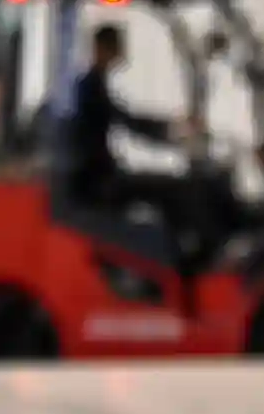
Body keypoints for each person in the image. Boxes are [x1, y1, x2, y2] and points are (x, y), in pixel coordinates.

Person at [60, 22, 208, 253]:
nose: (120, 54)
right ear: (101, 48)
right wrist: (173, 131)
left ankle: (178, 249)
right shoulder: (90, 86)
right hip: (96, 179)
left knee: (167, 186)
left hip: (98, 174)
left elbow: (125, 119)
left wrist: (173, 130)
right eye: (116, 47)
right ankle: (186, 252)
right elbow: (128, 122)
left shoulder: (93, 83)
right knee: (175, 189)